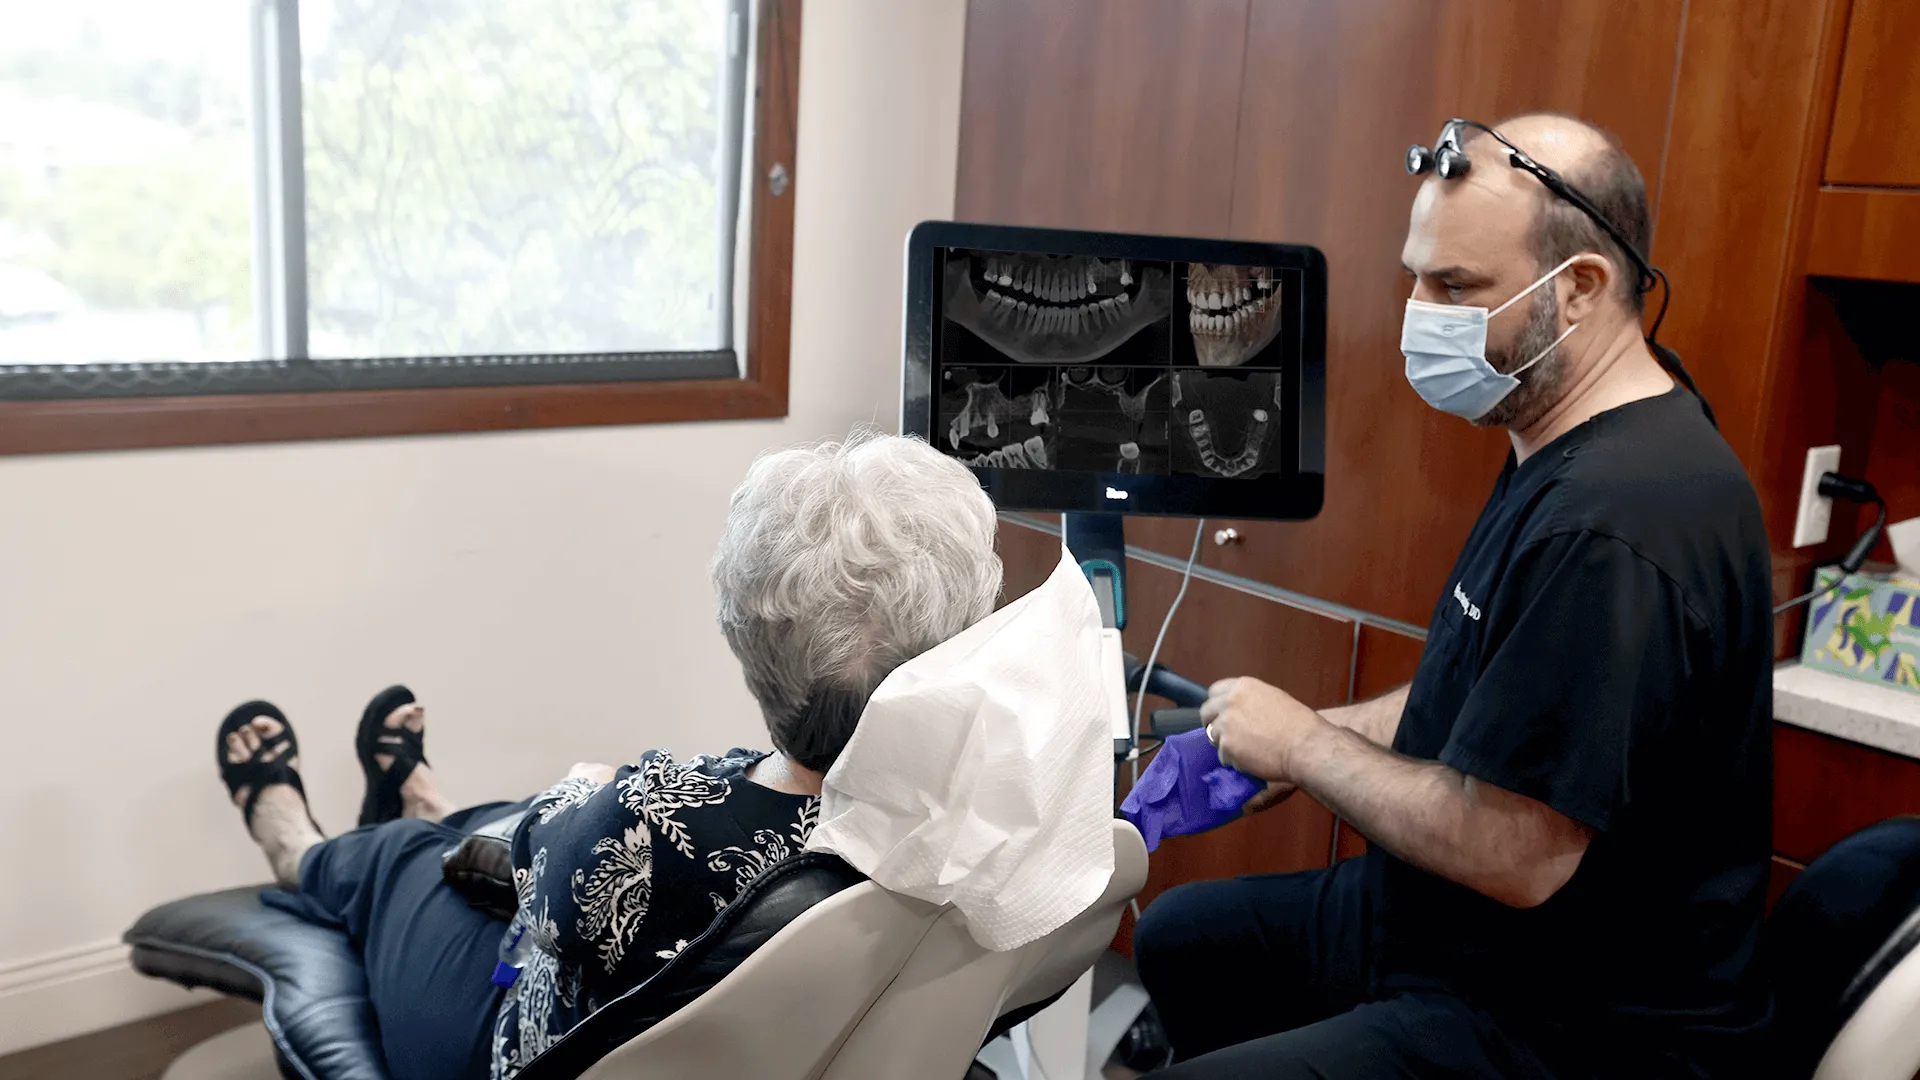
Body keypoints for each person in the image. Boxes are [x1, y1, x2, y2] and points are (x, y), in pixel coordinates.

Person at [1132, 113, 1773, 1078]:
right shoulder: (1566, 432)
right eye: (1416, 277)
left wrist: (1306, 748)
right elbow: (1490, 690)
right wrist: (1322, 730)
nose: (1419, 314)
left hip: (1568, 1020)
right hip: (1447, 929)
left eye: (1456, 287)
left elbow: (1518, 852)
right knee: (1181, 939)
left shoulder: (1615, 523)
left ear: (1581, 291)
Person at [209, 431, 1004, 1080]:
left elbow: (532, 858)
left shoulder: (646, 822)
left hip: (528, 1046)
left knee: (407, 862)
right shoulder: (988, 820)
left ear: (749, 637)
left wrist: (582, 791)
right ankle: (431, 808)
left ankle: (306, 848)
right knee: (472, 830)